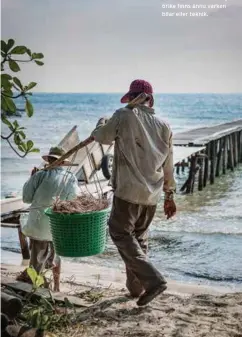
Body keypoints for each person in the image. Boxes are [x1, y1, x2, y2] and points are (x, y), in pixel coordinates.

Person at [92, 79, 176, 306]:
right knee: (138, 238)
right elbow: (169, 165)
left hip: (128, 191)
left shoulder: (123, 115)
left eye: (130, 98)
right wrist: (170, 196)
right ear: (150, 100)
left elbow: (101, 137)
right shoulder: (164, 125)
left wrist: (101, 123)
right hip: (152, 195)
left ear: (133, 98)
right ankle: (136, 288)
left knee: (119, 232)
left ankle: (154, 281)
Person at [18, 146, 81, 291]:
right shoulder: (70, 178)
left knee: (37, 259)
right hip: (57, 226)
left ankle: (36, 288)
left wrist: (31, 178)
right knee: (56, 256)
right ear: (63, 163)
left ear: (50, 160)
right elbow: (76, 199)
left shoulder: (39, 175)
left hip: (38, 224)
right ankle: (56, 287)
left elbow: (26, 198)